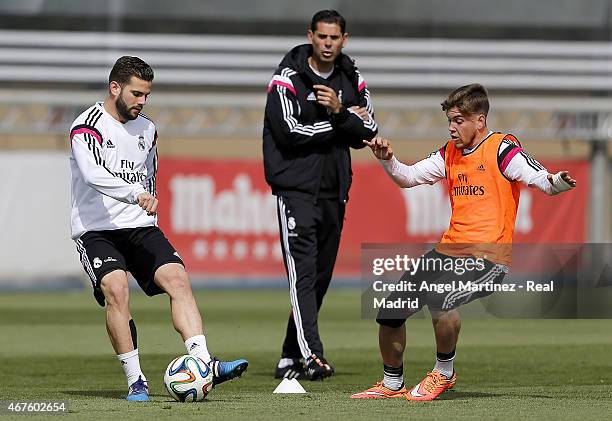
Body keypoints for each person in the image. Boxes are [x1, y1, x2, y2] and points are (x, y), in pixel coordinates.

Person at [351, 83, 576, 400]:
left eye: (459, 120)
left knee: (441, 296)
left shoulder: (502, 149)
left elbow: (538, 177)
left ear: (480, 121)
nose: (452, 127)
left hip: (488, 258)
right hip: (447, 250)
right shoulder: (450, 152)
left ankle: (444, 373)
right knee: (390, 311)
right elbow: (408, 177)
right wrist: (387, 159)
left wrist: (555, 183)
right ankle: (391, 383)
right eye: (449, 121)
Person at [69, 56, 248, 401]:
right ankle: (136, 380)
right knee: (116, 288)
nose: (142, 101)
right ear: (115, 88)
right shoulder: (86, 127)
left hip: (138, 226)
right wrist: (136, 193)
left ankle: (203, 362)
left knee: (178, 278)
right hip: (97, 229)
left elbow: (148, 174)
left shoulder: (148, 129)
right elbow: (93, 176)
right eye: (136, 94)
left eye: (147, 95)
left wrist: (146, 208)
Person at [263, 10, 378, 380]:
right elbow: (289, 132)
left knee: (321, 276)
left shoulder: (351, 77)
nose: (328, 44)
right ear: (310, 35)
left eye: (335, 38)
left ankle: (288, 356)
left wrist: (340, 111)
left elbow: (369, 129)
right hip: (295, 188)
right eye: (322, 37)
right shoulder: (287, 79)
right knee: (303, 272)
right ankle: (312, 355)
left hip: (334, 189)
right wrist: (340, 120)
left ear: (344, 39)